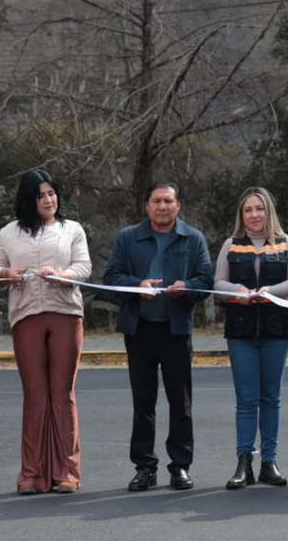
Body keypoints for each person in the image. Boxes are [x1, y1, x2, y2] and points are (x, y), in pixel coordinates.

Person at [0, 169, 92, 494]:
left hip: (65, 314)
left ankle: (67, 473)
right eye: (41, 195)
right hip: (26, 315)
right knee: (35, 395)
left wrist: (63, 273)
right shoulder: (9, 233)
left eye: (52, 193)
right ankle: (31, 474)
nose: (49, 200)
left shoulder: (71, 229)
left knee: (63, 393)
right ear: (29, 200)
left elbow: (84, 267)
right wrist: (7, 272)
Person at [105, 183, 213, 492]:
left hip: (176, 331)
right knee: (143, 403)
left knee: (181, 403)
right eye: (156, 201)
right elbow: (112, 277)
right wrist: (138, 285)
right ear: (146, 206)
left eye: (168, 201)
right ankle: (144, 467)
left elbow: (205, 281)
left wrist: (187, 287)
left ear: (178, 206)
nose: (162, 206)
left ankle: (180, 466)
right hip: (139, 331)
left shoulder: (193, 239)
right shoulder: (128, 238)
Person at [214, 187, 288, 489]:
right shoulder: (231, 244)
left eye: (260, 209)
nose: (254, 215)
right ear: (241, 214)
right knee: (245, 400)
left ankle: (270, 462)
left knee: (271, 398)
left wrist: (271, 291)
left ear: (269, 211)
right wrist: (236, 291)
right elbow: (219, 282)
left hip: (276, 329)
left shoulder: (287, 243)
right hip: (240, 331)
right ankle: (243, 463)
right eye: (248, 210)